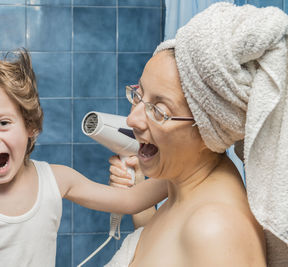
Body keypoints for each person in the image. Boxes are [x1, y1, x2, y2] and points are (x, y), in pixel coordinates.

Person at [0, 49, 165, 267]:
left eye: (3, 123)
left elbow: (131, 200)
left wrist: (192, 166)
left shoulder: (57, 179)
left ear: (30, 126)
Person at [106, 2, 288, 266]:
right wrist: (138, 191)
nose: (132, 119)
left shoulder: (216, 230)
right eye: (138, 94)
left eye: (159, 110)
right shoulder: (182, 193)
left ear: (207, 131)